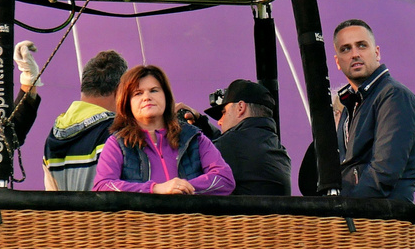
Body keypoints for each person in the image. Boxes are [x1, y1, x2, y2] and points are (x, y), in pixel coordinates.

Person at [93, 65, 234, 195]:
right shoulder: (117, 143)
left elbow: (224, 179)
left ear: (166, 97)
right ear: (127, 102)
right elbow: (103, 186)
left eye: (154, 90)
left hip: (191, 221)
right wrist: (155, 189)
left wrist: (182, 188)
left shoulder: (193, 137)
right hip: (140, 222)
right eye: (138, 93)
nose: (147, 97)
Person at [330, 19, 415, 201]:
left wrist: (347, 210)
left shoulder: (394, 95)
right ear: (338, 62)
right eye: (346, 49)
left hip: (383, 220)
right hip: (362, 218)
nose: (354, 54)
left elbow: (384, 171)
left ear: (377, 52)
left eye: (362, 46)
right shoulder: (351, 102)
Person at [41, 49, 126, 191]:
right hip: (105, 213)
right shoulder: (116, 130)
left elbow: (51, 197)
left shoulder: (53, 138)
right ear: (120, 91)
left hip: (65, 214)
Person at [212, 79, 291, 196]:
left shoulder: (230, 145)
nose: (219, 122)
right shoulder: (278, 149)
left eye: (224, 112)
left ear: (240, 107)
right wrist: (202, 123)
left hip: (239, 214)